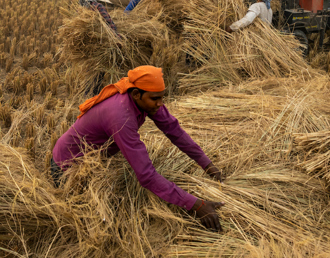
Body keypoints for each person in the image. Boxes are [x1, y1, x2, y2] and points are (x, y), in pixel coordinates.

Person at [51, 66, 225, 231]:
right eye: (155, 99)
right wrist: (197, 205)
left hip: (94, 159)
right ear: (136, 94)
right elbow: (146, 176)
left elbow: (175, 131)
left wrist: (208, 165)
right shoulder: (120, 115)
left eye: (162, 97)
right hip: (70, 167)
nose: (160, 104)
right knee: (88, 221)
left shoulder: (146, 100)